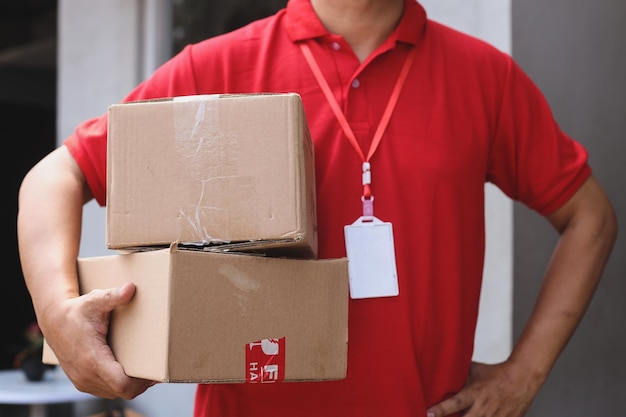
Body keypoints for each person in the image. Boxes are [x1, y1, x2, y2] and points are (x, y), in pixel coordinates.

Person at [17, 0, 617, 416]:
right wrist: (57, 312)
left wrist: (527, 371)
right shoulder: (220, 65)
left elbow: (590, 217)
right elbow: (56, 174)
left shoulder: (486, 78)